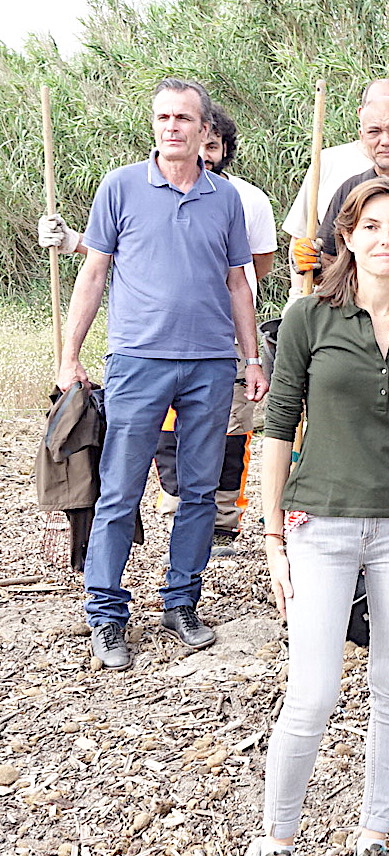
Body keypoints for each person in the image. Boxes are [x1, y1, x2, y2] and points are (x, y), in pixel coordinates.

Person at [247, 176, 389, 856]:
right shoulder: (308, 316)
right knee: (312, 692)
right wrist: (271, 535)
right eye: (373, 226)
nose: (386, 239)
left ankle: (373, 837)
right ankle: (275, 849)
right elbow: (278, 424)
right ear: (350, 234)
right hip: (319, 527)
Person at [44, 78, 266, 671]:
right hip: (137, 362)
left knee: (199, 489)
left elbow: (239, 282)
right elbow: (93, 275)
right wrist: (70, 355)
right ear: (154, 125)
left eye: (184, 118)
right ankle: (106, 614)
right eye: (163, 117)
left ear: (204, 130)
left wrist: (251, 358)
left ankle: (181, 602)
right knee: (119, 488)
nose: (173, 127)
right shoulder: (119, 188)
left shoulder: (225, 199)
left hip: (211, 364)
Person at [157, 104, 278, 556]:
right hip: (165, 337)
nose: (204, 153)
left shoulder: (247, 200)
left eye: (213, 145)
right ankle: (177, 509)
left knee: (230, 429)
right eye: (199, 142)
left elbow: (258, 264)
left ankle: (224, 520)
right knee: (170, 429)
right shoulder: (152, 192)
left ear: (224, 148)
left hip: (225, 333)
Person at [281, 78, 389, 289]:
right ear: (362, 136)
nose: (386, 140)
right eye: (374, 132)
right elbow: (330, 263)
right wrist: (310, 262)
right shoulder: (350, 189)